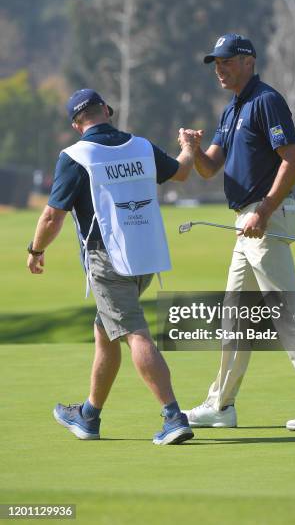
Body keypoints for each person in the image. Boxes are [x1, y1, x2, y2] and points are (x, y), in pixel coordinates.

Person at [182, 33, 295, 431]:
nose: (220, 69)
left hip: (264, 218)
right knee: (234, 315)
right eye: (216, 63)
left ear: (248, 61)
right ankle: (221, 405)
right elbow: (210, 169)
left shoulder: (267, 100)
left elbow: (292, 161)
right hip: (246, 222)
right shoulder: (232, 109)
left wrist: (263, 211)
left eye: (226, 61)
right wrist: (192, 149)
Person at [27, 88, 196, 445]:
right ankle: (89, 415)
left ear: (76, 124)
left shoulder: (76, 156)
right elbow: (181, 172)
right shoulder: (141, 145)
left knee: (134, 332)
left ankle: (173, 416)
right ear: (106, 110)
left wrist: (36, 249)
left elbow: (52, 215)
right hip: (145, 257)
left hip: (107, 260)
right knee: (105, 332)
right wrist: (188, 147)